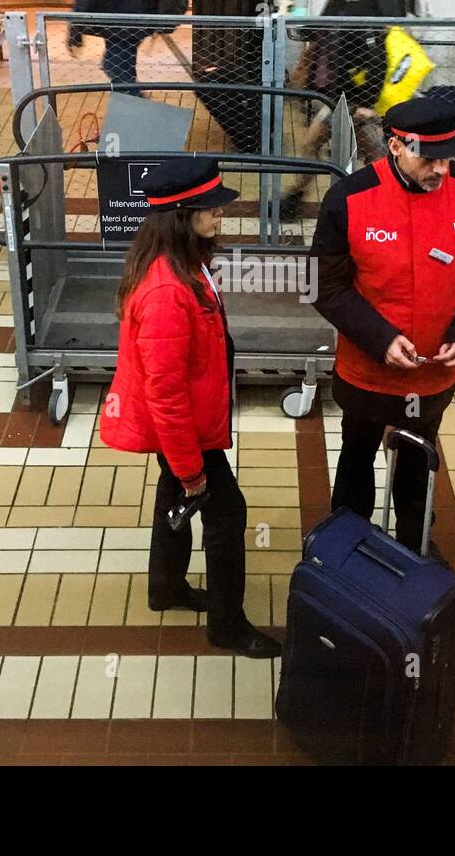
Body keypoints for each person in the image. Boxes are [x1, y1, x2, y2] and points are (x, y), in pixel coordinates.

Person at [100, 156, 282, 659]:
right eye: (210, 209)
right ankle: (228, 624)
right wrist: (192, 470)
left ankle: (167, 587)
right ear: (182, 214)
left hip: (186, 429)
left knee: (173, 495)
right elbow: (166, 394)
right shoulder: (165, 291)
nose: (221, 215)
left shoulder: (185, 261)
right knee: (226, 514)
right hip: (184, 432)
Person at [310, 97, 455, 558]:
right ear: (395, 146)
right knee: (356, 456)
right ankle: (346, 545)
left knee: (417, 461)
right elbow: (323, 285)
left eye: (447, 158)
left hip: (433, 373)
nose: (440, 170)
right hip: (367, 371)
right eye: (427, 158)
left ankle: (415, 543)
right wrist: (380, 339)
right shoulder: (350, 198)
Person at [283, 0, 387, 214]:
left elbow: (377, 59)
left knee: (314, 144)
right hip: (334, 93)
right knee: (371, 151)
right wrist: (292, 14)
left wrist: (367, 102)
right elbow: (319, 29)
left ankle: (294, 200)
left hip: (348, 97)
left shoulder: (362, 8)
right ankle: (387, 191)